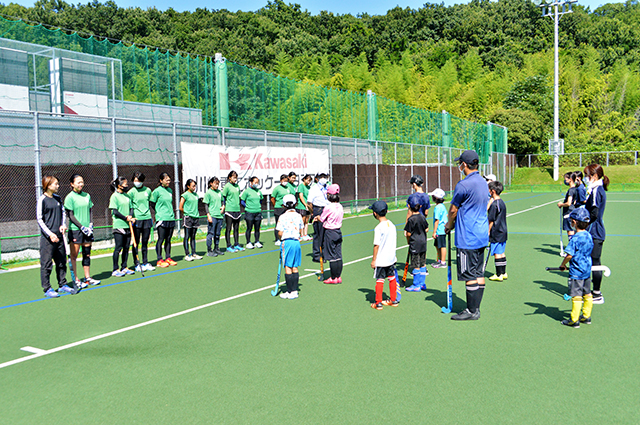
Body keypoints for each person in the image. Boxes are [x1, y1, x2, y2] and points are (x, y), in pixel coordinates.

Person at [445, 150, 489, 321]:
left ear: (464, 165)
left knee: (469, 275)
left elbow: (453, 209)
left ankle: (471, 311)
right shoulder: (483, 182)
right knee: (478, 273)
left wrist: (449, 225)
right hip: (481, 234)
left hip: (467, 237)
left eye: (460, 163)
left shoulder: (463, 185)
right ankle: (476, 308)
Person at [37, 175, 78, 297]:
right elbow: (39, 219)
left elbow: (63, 213)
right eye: (55, 184)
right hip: (48, 239)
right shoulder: (42, 200)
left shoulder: (58, 198)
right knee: (46, 264)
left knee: (61, 262)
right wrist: (50, 234)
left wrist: (63, 225)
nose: (58, 186)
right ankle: (47, 288)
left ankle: (62, 284)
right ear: (48, 185)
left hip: (60, 236)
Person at [558, 208, 594, 328]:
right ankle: (586, 316)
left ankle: (574, 319)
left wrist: (563, 264)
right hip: (587, 270)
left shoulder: (575, 238)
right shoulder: (589, 235)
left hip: (576, 272)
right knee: (587, 293)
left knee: (576, 295)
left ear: (574, 222)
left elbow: (569, 255)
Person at [64, 174, 100, 288]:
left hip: (87, 230)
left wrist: (90, 224)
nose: (81, 184)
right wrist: (81, 227)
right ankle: (76, 279)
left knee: (87, 254)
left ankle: (87, 278)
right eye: (78, 182)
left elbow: (90, 211)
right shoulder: (69, 197)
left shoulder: (87, 195)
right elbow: (70, 215)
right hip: (75, 230)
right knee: (74, 256)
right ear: (72, 184)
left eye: (82, 182)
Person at [583, 164, 609, 304]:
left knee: (595, 263)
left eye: (587, 175)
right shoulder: (594, 189)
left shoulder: (596, 190)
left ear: (594, 176)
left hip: (595, 231)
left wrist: (583, 222)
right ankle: (589, 291)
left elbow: (594, 213)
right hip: (594, 230)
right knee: (592, 261)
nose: (586, 178)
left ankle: (597, 294)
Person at [370, 201, 399, 310]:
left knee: (380, 279)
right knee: (391, 278)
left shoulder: (378, 228)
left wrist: (374, 260)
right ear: (386, 211)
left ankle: (378, 302)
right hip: (391, 258)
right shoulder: (391, 224)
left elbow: (376, 245)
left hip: (382, 259)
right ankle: (393, 300)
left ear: (375, 213)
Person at [314, 184, 344, 284]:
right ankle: (338, 276)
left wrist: (317, 217)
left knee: (332, 256)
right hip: (338, 231)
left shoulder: (328, 207)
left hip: (330, 232)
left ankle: (333, 277)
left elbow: (322, 219)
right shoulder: (340, 206)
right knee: (338, 255)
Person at [276, 194, 304, 300]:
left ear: (283, 205)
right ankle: (295, 290)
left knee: (288, 266)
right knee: (294, 266)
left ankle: (290, 291)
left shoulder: (282, 217)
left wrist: (281, 239)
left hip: (287, 242)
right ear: (296, 204)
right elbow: (301, 229)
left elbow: (280, 232)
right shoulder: (298, 216)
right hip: (296, 242)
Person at [109, 176, 136, 277]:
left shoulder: (127, 196)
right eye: (125, 184)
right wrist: (126, 218)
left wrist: (130, 216)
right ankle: (115, 269)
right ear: (119, 186)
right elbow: (115, 211)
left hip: (128, 225)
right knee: (118, 248)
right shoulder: (114, 196)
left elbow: (131, 208)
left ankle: (124, 266)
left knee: (126, 247)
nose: (127, 186)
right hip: (119, 225)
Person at [150, 172, 177, 268]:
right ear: (161, 181)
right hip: (162, 218)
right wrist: (159, 212)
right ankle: (159, 259)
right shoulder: (157, 191)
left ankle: (168, 257)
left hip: (170, 218)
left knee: (168, 239)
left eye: (169, 180)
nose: (168, 182)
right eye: (167, 180)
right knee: (161, 239)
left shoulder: (170, 190)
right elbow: (152, 203)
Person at [129, 171, 155, 272]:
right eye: (135, 180)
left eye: (139, 180)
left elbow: (151, 203)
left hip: (147, 218)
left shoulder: (148, 190)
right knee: (136, 242)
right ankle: (136, 263)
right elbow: (130, 206)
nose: (137, 182)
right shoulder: (131, 192)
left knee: (145, 242)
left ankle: (145, 262)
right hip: (137, 219)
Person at [404, 193, 429, 292]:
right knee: (423, 263)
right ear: (421, 206)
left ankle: (416, 285)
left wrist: (408, 242)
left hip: (415, 244)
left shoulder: (411, 220)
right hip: (423, 243)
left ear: (409, 206)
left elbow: (408, 233)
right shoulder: (422, 217)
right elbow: (426, 229)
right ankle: (422, 283)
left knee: (415, 264)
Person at [487, 181, 508, 282]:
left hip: (496, 231)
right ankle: (504, 272)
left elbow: (491, 220)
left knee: (497, 253)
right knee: (502, 252)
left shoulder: (494, 204)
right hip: (503, 231)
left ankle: (499, 274)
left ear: (493, 191)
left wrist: (488, 231)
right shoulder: (502, 202)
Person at [307, 172, 330, 262]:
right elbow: (309, 203)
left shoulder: (327, 187)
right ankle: (317, 255)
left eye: (325, 176)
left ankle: (325, 253)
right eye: (321, 177)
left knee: (326, 233)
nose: (323, 178)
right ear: (317, 178)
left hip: (327, 209)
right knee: (318, 234)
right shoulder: (314, 189)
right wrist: (313, 213)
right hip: (318, 209)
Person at [180, 178, 202, 261]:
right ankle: (187, 254)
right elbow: (180, 207)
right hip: (188, 218)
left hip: (196, 218)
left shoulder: (196, 195)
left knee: (193, 236)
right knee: (187, 236)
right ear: (188, 186)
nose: (194, 187)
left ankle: (194, 253)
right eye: (192, 186)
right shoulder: (185, 195)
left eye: (195, 186)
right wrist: (187, 214)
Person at [222, 170, 244, 252]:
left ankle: (236, 244)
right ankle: (228, 246)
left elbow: (239, 197)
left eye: (236, 178)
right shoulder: (227, 186)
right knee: (228, 228)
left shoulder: (237, 186)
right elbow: (223, 197)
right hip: (229, 210)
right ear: (229, 178)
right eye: (234, 178)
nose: (235, 179)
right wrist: (223, 206)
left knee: (236, 228)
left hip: (237, 210)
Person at [557, 172, 578, 256]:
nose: (565, 180)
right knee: (573, 230)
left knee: (570, 231)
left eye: (566, 179)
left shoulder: (571, 190)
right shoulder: (576, 189)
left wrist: (561, 204)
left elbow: (569, 203)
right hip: (572, 211)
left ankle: (571, 252)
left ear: (570, 179)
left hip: (568, 212)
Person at [203, 177, 225, 257]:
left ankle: (216, 248)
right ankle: (209, 250)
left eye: (218, 184)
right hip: (212, 216)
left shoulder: (219, 192)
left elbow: (222, 201)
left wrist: (223, 206)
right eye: (215, 183)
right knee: (211, 233)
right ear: (211, 183)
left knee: (217, 234)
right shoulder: (208, 193)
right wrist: (208, 215)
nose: (217, 185)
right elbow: (206, 204)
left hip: (219, 216)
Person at [241, 176, 264, 249]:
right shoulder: (247, 191)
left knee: (257, 228)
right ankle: (248, 242)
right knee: (249, 228)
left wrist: (258, 206)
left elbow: (261, 200)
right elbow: (242, 201)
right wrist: (247, 207)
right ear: (251, 182)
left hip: (258, 212)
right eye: (255, 182)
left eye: (257, 182)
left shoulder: (258, 191)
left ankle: (257, 241)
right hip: (249, 212)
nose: (256, 184)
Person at [430, 188, 447, 268]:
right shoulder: (442, 206)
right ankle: (440, 260)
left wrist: (434, 232)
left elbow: (437, 220)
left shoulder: (438, 208)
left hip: (440, 230)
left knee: (442, 245)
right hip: (441, 229)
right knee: (437, 245)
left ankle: (443, 262)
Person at [270, 174, 290, 246]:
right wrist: (276, 205)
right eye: (284, 180)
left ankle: (284, 237)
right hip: (278, 208)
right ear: (280, 180)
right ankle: (277, 239)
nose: (285, 182)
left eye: (286, 181)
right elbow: (272, 198)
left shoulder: (288, 188)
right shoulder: (277, 188)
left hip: (286, 208)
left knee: (286, 224)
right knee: (278, 224)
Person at [296, 174, 313, 241]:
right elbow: (301, 196)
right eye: (307, 180)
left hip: (308, 206)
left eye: (310, 181)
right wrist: (305, 204)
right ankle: (301, 235)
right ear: (304, 179)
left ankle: (305, 234)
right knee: (302, 221)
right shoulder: (301, 186)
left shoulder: (309, 187)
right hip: (301, 206)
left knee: (306, 221)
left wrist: (309, 205)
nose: (308, 182)